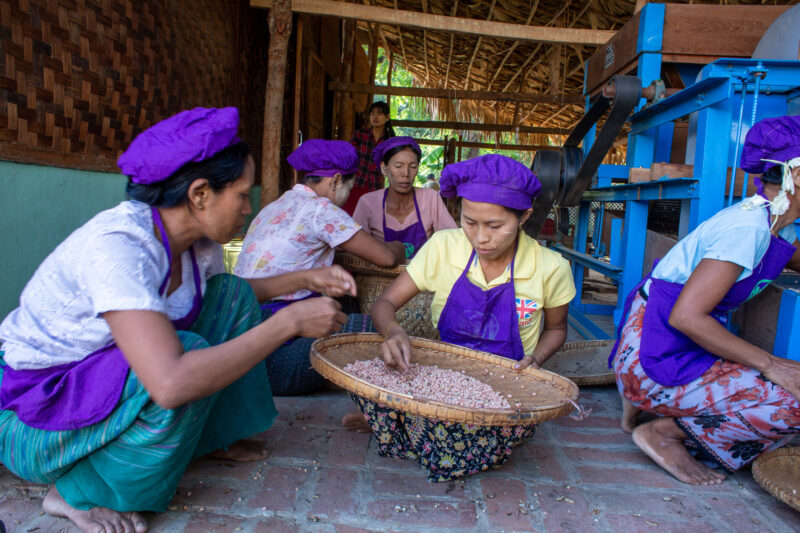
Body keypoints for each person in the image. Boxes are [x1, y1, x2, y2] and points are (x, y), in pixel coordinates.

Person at [0, 108, 353, 532]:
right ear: (200, 194)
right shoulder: (119, 246)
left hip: (91, 391)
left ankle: (213, 439)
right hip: (36, 418)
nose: (248, 207)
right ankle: (77, 491)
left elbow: (227, 299)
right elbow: (170, 381)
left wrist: (304, 278)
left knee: (232, 295)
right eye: (242, 194)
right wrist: (287, 323)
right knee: (183, 358)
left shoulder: (194, 243)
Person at [345, 154, 576, 481]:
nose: (481, 237)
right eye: (470, 222)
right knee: (369, 375)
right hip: (445, 374)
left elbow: (556, 328)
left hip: (506, 387)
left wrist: (536, 359)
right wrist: (393, 332)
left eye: (495, 226)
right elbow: (384, 304)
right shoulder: (443, 247)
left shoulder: (550, 267)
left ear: (524, 216)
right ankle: (403, 421)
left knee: (458, 445)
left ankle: (398, 424)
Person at [610, 115, 800, 487]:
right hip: (657, 356)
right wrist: (771, 364)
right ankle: (664, 433)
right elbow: (686, 318)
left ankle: (641, 403)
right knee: (793, 404)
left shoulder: (770, 220)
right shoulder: (746, 230)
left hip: (652, 343)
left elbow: (789, 256)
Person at [234, 139, 405, 395]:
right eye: (347, 187)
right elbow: (384, 257)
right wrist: (401, 246)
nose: (346, 196)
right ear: (336, 181)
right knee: (372, 328)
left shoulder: (275, 206)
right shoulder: (321, 210)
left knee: (344, 303)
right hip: (275, 363)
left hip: (242, 345)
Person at [352, 137, 457, 260]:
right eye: (398, 166)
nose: (406, 174)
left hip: (422, 276)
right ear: (384, 168)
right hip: (376, 276)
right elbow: (355, 248)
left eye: (412, 166)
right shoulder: (368, 203)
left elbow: (451, 240)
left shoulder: (431, 198)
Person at [342, 101, 395, 215]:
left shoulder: (389, 141)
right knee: (349, 214)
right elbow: (348, 154)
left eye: (379, 114)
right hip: (357, 181)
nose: (375, 116)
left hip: (375, 184)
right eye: (372, 114)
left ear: (387, 118)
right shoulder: (360, 134)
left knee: (369, 216)